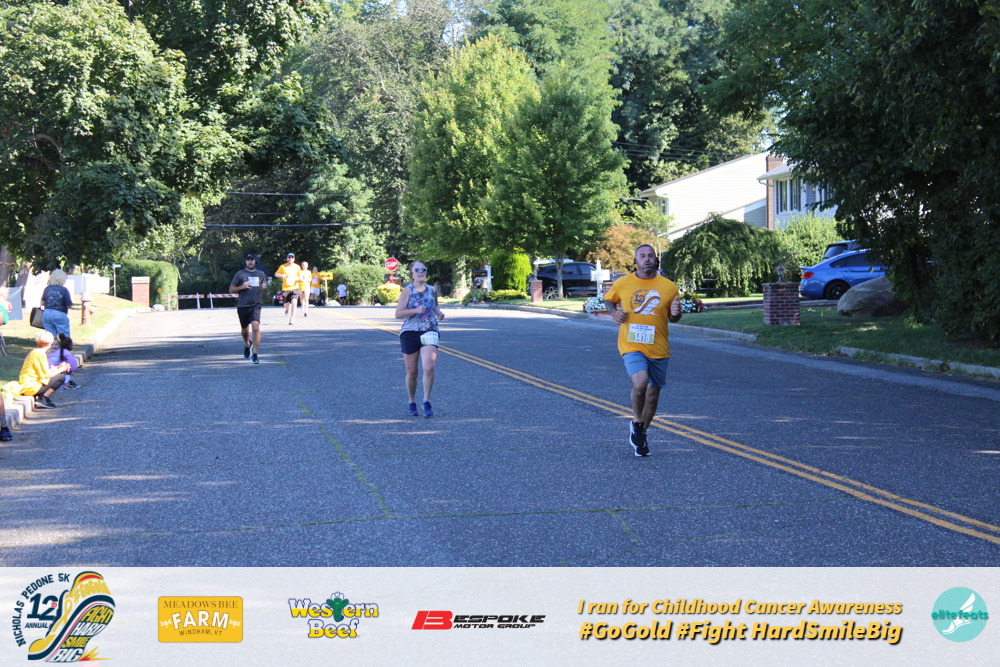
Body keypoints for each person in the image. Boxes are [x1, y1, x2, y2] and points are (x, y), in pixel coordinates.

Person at [603, 244, 682, 457]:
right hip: (632, 344)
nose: (647, 259)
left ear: (656, 260)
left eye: (650, 256)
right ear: (635, 261)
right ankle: (637, 422)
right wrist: (614, 313)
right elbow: (609, 300)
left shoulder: (669, 287)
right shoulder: (623, 282)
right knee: (640, 384)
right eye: (642, 256)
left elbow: (674, 317)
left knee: (653, 395)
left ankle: (641, 433)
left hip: (659, 346)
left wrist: (676, 313)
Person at [395, 262, 445, 417]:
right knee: (412, 372)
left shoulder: (432, 290)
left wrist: (439, 313)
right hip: (410, 332)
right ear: (412, 273)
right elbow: (398, 314)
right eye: (417, 270)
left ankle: (426, 401)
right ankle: (412, 401)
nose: (421, 272)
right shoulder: (408, 290)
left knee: (428, 366)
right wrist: (415, 310)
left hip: (430, 330)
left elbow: (435, 306)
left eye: (423, 269)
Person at [230, 252, 268, 364]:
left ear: (255, 261)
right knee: (244, 330)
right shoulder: (240, 274)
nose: (250, 262)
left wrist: (264, 287)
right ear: (245, 262)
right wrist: (243, 286)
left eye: (252, 260)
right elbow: (231, 289)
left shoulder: (260, 273)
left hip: (256, 304)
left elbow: (263, 287)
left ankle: (255, 355)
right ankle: (247, 344)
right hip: (243, 305)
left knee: (256, 327)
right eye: (248, 260)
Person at [19, 330, 70, 409]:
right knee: (61, 377)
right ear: (49, 344)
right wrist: (61, 369)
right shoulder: (39, 354)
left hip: (29, 384)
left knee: (58, 375)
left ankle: (42, 397)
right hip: (30, 387)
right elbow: (46, 375)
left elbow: (42, 372)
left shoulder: (36, 352)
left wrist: (57, 368)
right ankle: (42, 398)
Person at [40, 269, 73, 339]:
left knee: (50, 337)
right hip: (59, 313)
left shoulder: (47, 289)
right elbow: (69, 304)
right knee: (64, 336)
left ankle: (53, 345)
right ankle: (64, 346)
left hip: (46, 313)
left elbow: (42, 302)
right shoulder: (64, 290)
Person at [275, 252, 300, 324]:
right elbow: (276, 274)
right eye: (289, 257)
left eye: (292, 257)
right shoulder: (283, 266)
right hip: (286, 288)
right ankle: (287, 308)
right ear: (287, 258)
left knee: (294, 302)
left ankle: (291, 319)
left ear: (294, 259)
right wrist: (281, 275)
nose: (290, 259)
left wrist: (297, 278)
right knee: (286, 305)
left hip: (295, 287)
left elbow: (300, 276)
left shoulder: (297, 267)